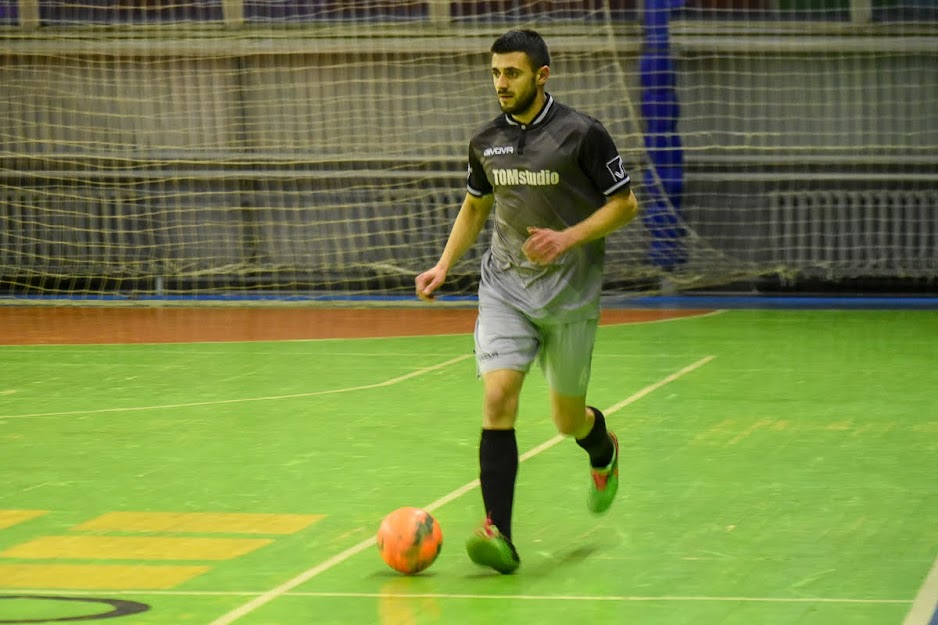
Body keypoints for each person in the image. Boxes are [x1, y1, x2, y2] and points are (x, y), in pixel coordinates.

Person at [415, 29, 639, 574]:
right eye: (495, 73)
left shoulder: (583, 134)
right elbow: (475, 208)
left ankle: (602, 448)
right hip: (505, 288)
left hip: (569, 295)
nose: (501, 83)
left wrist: (567, 237)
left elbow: (626, 205)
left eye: (511, 73)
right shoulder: (485, 140)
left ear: (541, 75)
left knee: (566, 421)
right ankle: (500, 534)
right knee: (498, 400)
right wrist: (444, 264)